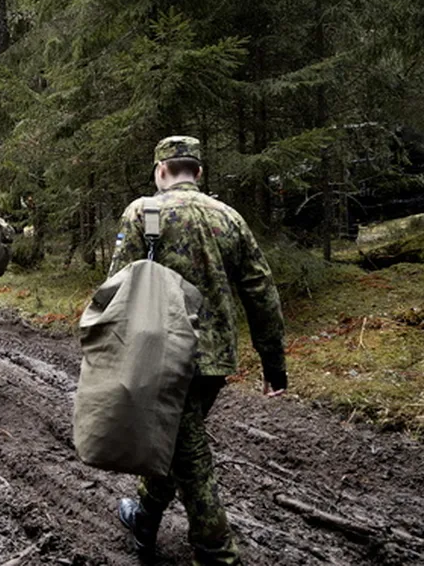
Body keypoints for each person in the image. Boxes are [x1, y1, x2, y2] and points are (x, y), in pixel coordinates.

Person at [109, 136, 288, 566]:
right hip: (214, 361)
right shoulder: (230, 218)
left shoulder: (143, 212)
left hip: (161, 357)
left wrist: (107, 352)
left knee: (191, 460)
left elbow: (115, 288)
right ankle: (145, 516)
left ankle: (216, 553)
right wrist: (273, 364)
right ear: (199, 172)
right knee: (177, 444)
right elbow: (262, 293)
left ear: (160, 171)